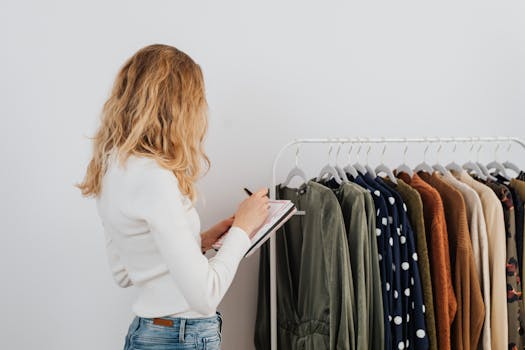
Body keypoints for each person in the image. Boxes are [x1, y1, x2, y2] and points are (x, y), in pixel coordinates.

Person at [76, 44, 270, 350]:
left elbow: (126, 271)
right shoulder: (155, 178)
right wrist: (242, 230)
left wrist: (203, 240)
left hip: (147, 334)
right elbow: (206, 296)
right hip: (179, 338)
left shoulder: (111, 167)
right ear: (180, 107)